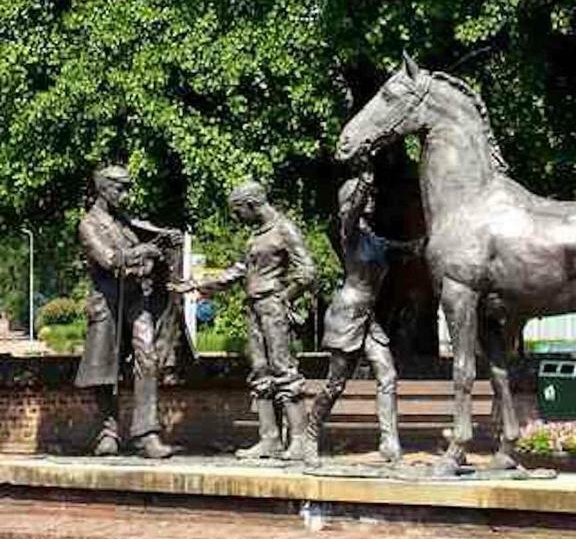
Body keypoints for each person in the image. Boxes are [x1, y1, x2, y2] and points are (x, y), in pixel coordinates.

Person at [172, 181, 316, 460]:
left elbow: (307, 271)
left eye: (238, 211)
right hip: (254, 307)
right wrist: (196, 284)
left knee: (283, 369)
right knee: (261, 371)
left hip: (272, 306)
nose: (236, 217)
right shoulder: (255, 236)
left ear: (251, 204)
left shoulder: (284, 229)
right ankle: (269, 439)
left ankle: (298, 440)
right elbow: (239, 270)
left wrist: (285, 297)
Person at [305, 169, 421, 465]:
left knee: (388, 375)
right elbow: (353, 211)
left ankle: (389, 442)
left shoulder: (374, 240)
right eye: (364, 198)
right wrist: (364, 182)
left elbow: (405, 249)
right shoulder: (348, 232)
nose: (370, 201)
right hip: (346, 315)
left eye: (370, 197)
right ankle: (309, 433)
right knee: (335, 384)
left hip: (368, 319)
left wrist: (428, 241)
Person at [75, 165, 187, 458]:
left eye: (127, 188)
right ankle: (108, 433)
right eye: (119, 188)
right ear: (103, 188)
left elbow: (146, 254)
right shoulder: (89, 224)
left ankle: (146, 434)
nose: (125, 195)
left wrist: (161, 247)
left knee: (147, 358)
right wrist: (143, 252)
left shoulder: (127, 223)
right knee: (104, 368)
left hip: (136, 300)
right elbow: (108, 259)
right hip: (107, 303)